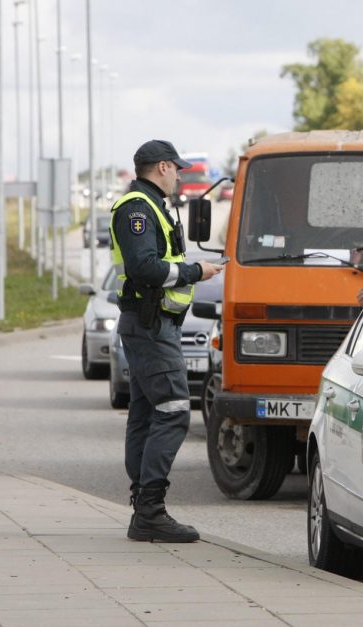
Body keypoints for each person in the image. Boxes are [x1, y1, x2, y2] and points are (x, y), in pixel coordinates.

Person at [110, 139, 224, 543]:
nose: (179, 175)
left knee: (146, 411)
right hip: (151, 326)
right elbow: (144, 267)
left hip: (153, 324)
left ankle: (144, 510)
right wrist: (196, 271)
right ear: (161, 167)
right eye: (176, 169)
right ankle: (150, 511)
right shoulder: (138, 208)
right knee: (174, 411)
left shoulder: (149, 204)